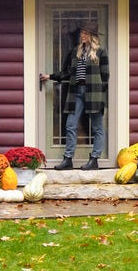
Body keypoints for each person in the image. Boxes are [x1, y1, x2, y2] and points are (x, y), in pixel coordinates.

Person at [42, 25, 108, 170]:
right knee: (70, 125)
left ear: (92, 35)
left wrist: (100, 97)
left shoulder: (101, 52)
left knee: (97, 128)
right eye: (81, 33)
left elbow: (105, 77)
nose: (82, 36)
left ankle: (94, 159)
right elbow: (67, 72)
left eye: (85, 33)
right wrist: (51, 76)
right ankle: (68, 159)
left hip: (94, 93)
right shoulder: (75, 52)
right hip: (76, 92)